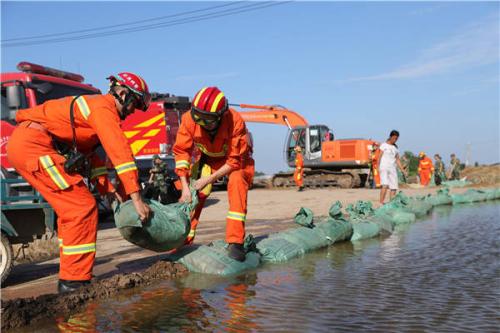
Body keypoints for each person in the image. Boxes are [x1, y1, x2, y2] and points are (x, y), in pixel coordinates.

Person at [6, 72, 152, 293]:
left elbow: (91, 158)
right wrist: (137, 198)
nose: (133, 111)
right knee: (80, 207)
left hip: (32, 145)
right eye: (135, 103)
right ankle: (74, 282)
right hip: (34, 146)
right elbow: (120, 152)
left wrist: (108, 189)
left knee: (71, 209)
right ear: (122, 93)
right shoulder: (103, 109)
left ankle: (71, 276)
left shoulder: (96, 110)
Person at [173, 86, 254, 262]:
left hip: (237, 163)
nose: (201, 123)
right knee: (195, 196)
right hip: (208, 159)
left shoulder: (235, 121)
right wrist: (185, 188)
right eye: (198, 118)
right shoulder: (188, 119)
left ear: (219, 117)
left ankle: (235, 242)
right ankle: (183, 241)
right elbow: (181, 153)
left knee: (237, 183)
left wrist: (207, 180)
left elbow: (234, 162)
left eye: (207, 120)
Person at [378, 130, 407, 204]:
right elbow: (379, 156)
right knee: (385, 185)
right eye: (394, 138)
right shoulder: (383, 145)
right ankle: (381, 202)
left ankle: (391, 203)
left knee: (394, 187)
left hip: (392, 168)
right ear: (390, 137)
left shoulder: (395, 148)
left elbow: (397, 160)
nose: (395, 140)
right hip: (384, 167)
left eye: (397, 139)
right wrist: (378, 167)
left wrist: (403, 170)